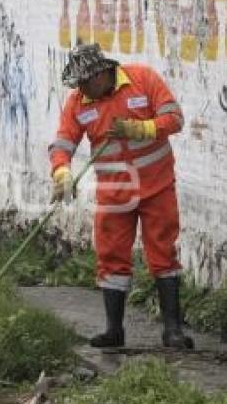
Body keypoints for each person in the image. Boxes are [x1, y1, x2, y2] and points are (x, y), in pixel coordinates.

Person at [48, 43, 193, 350]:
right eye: (79, 84)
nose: (82, 89)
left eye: (86, 82)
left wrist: (141, 129)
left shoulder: (143, 79)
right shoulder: (78, 103)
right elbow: (63, 142)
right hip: (115, 193)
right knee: (111, 257)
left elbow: (175, 118)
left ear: (102, 72)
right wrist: (61, 172)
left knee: (162, 253)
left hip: (157, 186)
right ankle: (114, 331)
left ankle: (173, 331)